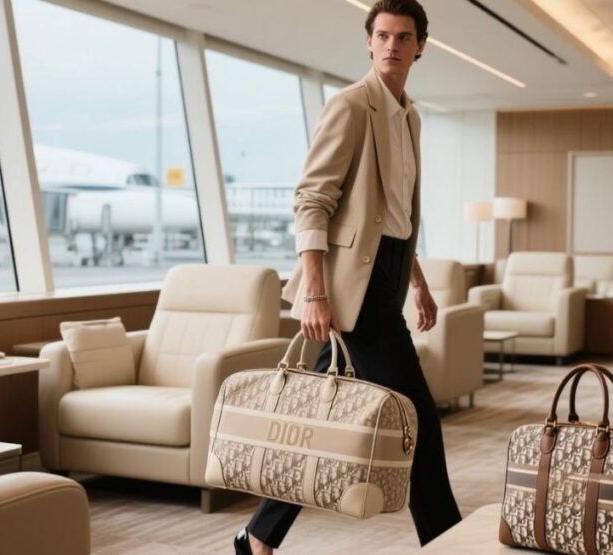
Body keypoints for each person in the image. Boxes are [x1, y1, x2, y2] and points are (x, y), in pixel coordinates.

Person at [233, 1, 462, 553]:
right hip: (345, 292)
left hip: (386, 276)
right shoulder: (351, 106)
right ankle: (451, 541)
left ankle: (257, 537)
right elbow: (311, 200)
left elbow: (397, 215)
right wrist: (314, 291)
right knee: (417, 422)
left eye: (403, 37)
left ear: (420, 46)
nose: (391, 46)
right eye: (381, 35)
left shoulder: (410, 116)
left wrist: (418, 283)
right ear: (368, 42)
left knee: (319, 420)